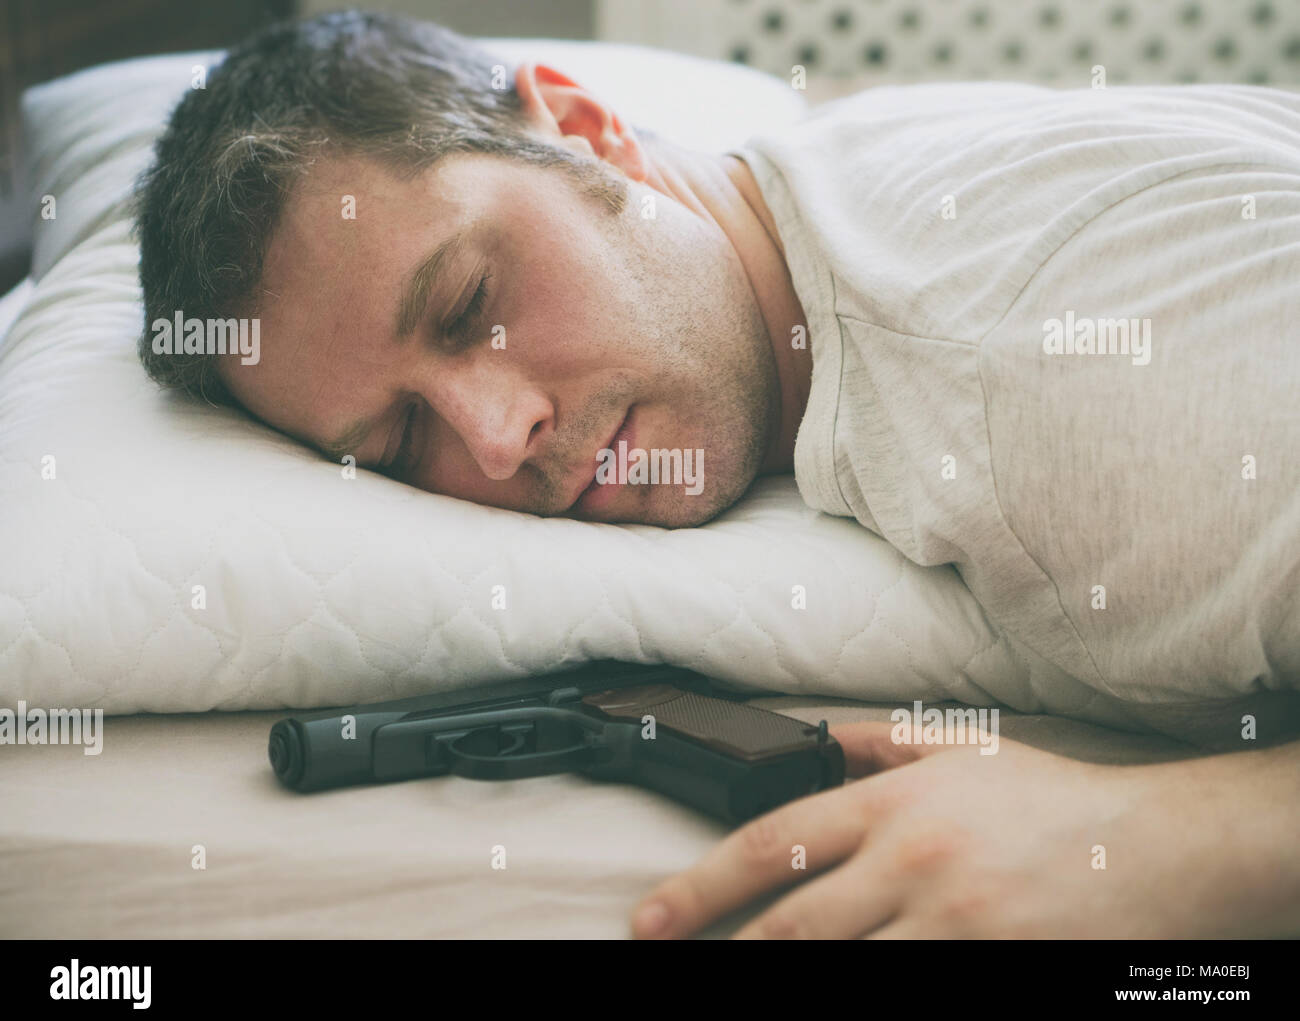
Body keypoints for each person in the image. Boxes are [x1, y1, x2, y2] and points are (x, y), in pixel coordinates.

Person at [134, 11, 1300, 938]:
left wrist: (1165, 836)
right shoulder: (833, 187)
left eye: (468, 305)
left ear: (584, 129)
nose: (495, 440)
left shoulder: (1033, 368)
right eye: (396, 444)